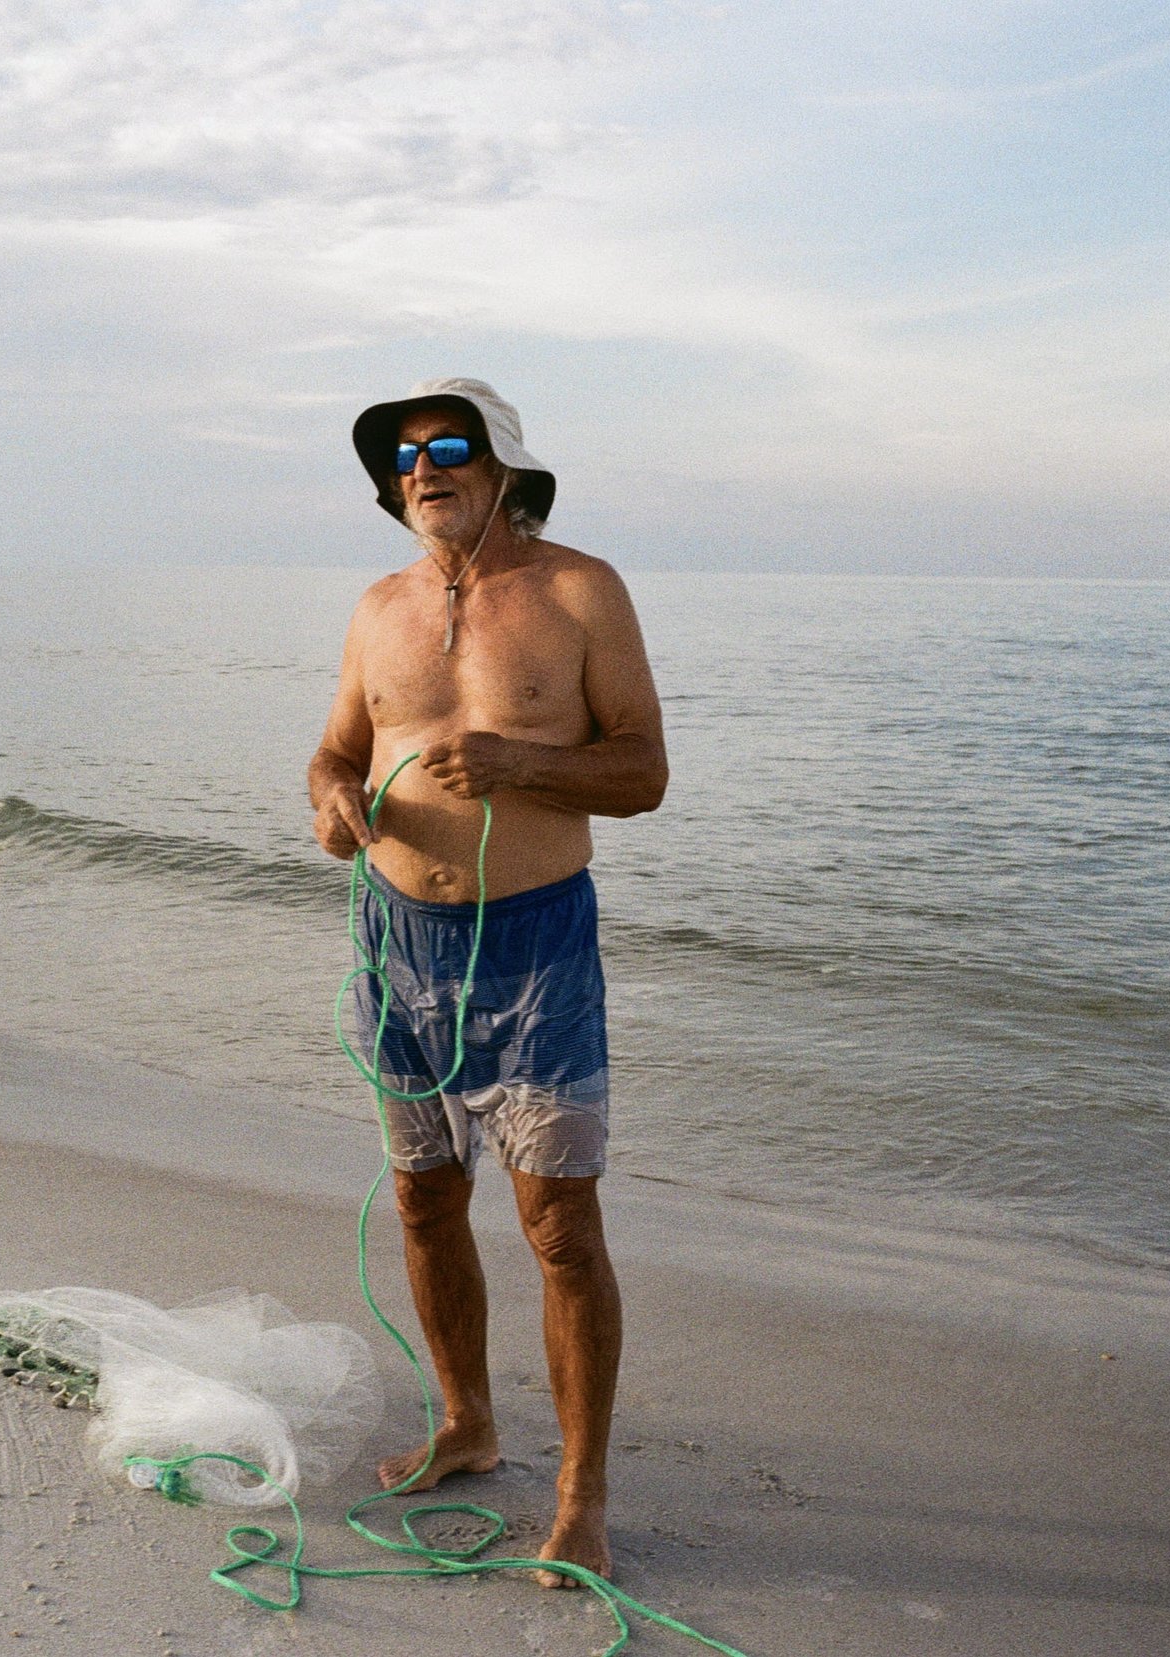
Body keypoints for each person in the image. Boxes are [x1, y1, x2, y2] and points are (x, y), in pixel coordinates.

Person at [308, 378, 668, 1587]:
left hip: (535, 948)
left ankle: (581, 1494)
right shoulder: (375, 609)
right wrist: (331, 801)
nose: (423, 470)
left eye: (446, 448)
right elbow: (333, 750)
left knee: (559, 1227)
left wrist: (516, 759)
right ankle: (466, 1418)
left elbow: (643, 772)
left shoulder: (581, 591)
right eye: (402, 459)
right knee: (421, 1197)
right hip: (394, 944)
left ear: (502, 466)